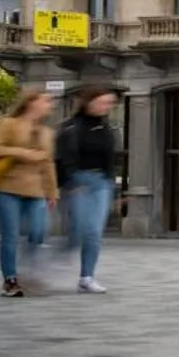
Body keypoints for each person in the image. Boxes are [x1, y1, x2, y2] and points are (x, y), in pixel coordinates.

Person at [0, 89, 60, 297]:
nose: (50, 105)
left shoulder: (47, 133)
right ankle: (10, 280)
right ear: (31, 102)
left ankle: (28, 272)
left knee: (38, 232)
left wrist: (52, 191)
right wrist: (23, 153)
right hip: (6, 189)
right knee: (10, 235)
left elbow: (48, 163)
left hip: (36, 191)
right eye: (46, 101)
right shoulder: (8, 124)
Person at [55, 86, 119, 294]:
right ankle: (53, 259)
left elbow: (111, 158)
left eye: (109, 103)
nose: (106, 107)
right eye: (103, 102)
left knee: (94, 232)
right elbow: (61, 158)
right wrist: (69, 182)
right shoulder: (71, 127)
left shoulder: (107, 128)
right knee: (77, 232)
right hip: (78, 182)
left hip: (101, 183)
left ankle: (86, 277)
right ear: (89, 102)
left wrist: (111, 183)